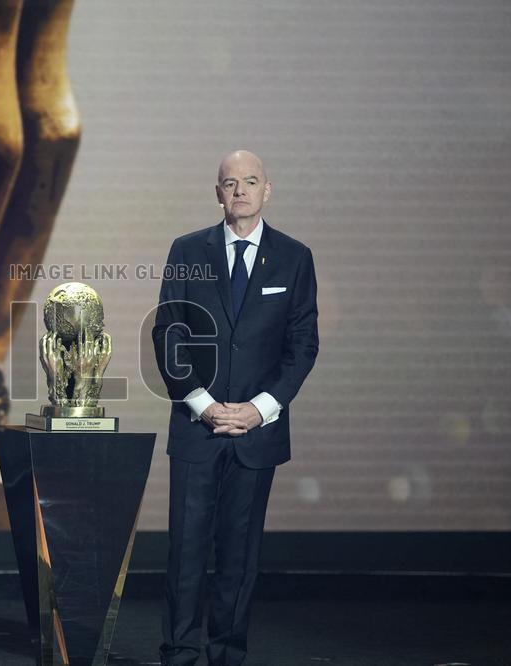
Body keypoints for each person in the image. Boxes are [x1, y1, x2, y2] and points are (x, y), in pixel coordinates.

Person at [152, 150, 319, 666]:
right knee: (185, 553)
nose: (240, 190)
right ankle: (179, 654)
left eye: (250, 182)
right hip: (197, 429)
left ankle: (226, 654)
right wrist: (203, 406)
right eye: (230, 183)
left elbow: (302, 345)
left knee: (239, 557)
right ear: (218, 192)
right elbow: (168, 335)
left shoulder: (294, 257)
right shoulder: (187, 250)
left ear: (267, 190)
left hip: (256, 432)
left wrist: (258, 409)